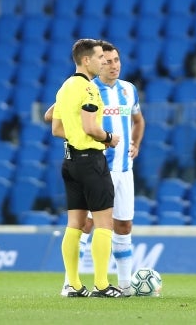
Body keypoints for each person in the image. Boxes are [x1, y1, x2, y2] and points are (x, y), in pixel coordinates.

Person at [48, 42, 146, 297]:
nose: (108, 63)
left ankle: (78, 284)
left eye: (113, 59)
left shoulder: (126, 89)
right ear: (88, 60)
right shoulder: (90, 89)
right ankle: (101, 284)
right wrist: (106, 138)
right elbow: (85, 126)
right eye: (103, 58)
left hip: (79, 161)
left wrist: (134, 143)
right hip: (96, 162)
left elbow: (56, 126)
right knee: (100, 225)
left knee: (80, 224)